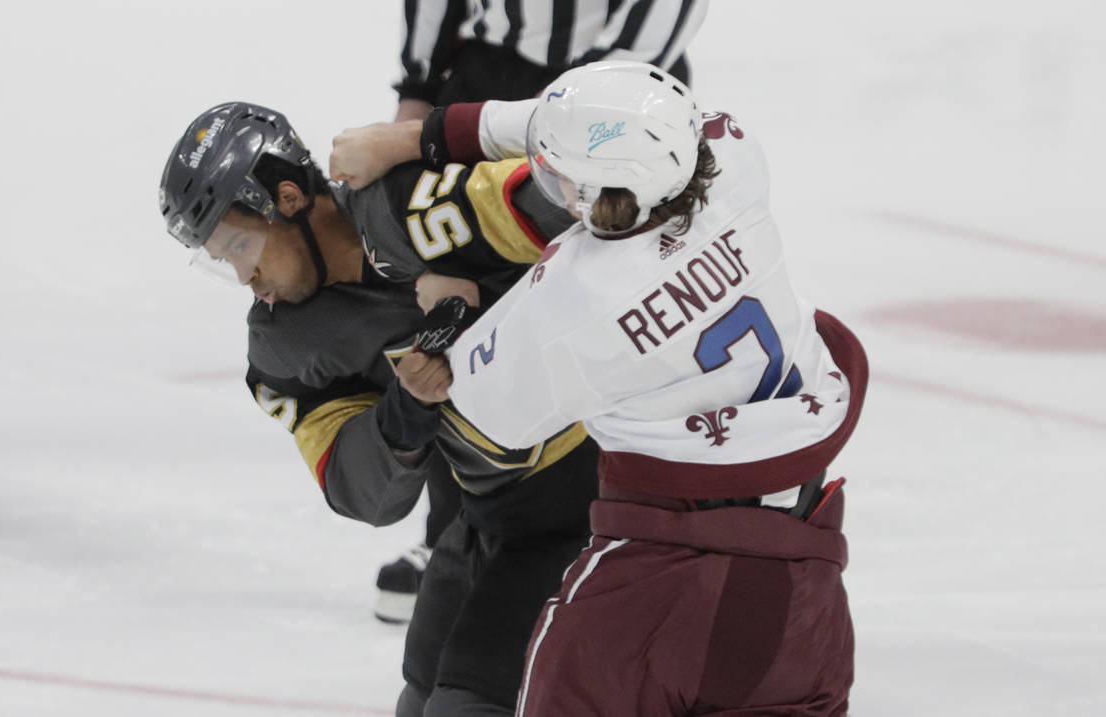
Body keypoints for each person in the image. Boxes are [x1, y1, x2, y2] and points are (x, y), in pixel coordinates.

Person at [331, 60, 869, 715]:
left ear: (586, 192)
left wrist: (446, 301)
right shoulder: (732, 160)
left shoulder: (571, 300)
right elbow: (596, 128)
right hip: (803, 574)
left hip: (652, 589)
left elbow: (475, 411)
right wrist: (419, 138)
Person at [158, 101, 596, 716]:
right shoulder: (286, 345)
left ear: (288, 198)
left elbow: (598, 182)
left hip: (608, 498)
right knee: (419, 701)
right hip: (494, 518)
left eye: (239, 244)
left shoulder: (413, 206)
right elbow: (366, 495)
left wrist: (431, 140)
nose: (244, 278)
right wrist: (407, 409)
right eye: (222, 258)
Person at [380, 0, 712, 621]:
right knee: (465, 309)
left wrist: (596, 121)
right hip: (486, 82)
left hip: (621, 103)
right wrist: (418, 92)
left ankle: (613, 531)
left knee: (609, 311)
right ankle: (455, 540)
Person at [395, 0, 711, 122]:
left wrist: (571, 95)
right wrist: (418, 89)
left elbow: (658, 19)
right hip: (487, 73)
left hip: (619, 87)